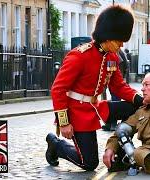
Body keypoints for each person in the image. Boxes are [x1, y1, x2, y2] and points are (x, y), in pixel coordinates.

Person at [45, 5, 143, 171]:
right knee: (89, 163)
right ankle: (56, 144)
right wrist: (64, 122)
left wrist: (140, 99)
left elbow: (119, 86)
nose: (121, 45)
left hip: (96, 107)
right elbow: (58, 89)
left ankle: (122, 150)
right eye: (119, 40)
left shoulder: (111, 56)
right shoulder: (79, 56)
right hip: (77, 112)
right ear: (108, 36)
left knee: (136, 108)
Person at [102, 48, 129, 131]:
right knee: (113, 101)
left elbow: (112, 71)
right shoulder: (117, 51)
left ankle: (112, 124)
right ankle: (110, 123)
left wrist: (114, 80)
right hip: (114, 79)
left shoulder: (113, 52)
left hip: (114, 81)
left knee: (114, 102)